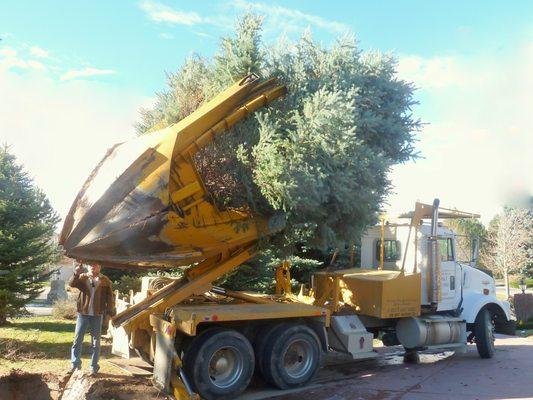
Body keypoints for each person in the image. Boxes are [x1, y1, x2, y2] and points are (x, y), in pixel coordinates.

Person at [68, 262, 115, 375]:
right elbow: (71, 284)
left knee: (96, 342)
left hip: (97, 314)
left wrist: (110, 311)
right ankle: (75, 365)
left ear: (100, 267)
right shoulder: (82, 277)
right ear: (88, 267)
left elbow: (110, 297)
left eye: (96, 265)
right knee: (77, 340)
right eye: (91, 265)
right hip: (83, 313)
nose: (93, 267)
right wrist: (76, 273)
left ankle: (94, 367)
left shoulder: (105, 280)